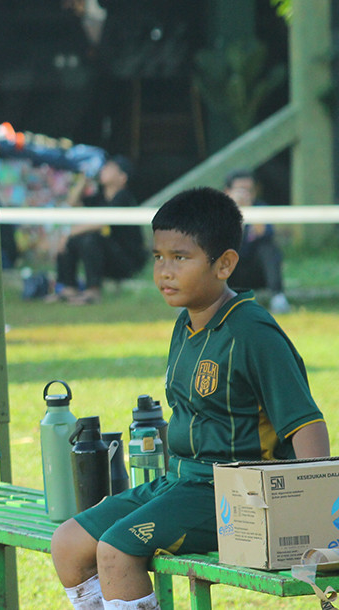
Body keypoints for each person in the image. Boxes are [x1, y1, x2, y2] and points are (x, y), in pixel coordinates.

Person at [50, 187, 329, 610]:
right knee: (68, 543)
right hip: (179, 480)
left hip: (231, 493)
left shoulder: (253, 333)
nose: (164, 271)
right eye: (158, 257)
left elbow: (307, 424)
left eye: (180, 257)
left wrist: (312, 520)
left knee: (116, 550)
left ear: (225, 264)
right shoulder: (185, 324)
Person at [50, 155, 146, 304]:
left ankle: (93, 291)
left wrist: (68, 233)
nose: (103, 170)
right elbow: (72, 203)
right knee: (72, 241)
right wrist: (84, 179)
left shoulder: (124, 197)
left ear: (122, 177)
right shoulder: (100, 197)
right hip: (105, 257)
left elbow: (102, 222)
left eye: (110, 168)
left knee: (89, 239)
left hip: (126, 260)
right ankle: (68, 288)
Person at [224, 170, 290, 314]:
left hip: (256, 271)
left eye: (249, 190)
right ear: (228, 191)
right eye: (241, 190)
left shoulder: (261, 208)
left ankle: (278, 298)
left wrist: (248, 210)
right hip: (228, 273)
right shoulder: (218, 211)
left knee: (269, 248)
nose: (245, 194)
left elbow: (265, 234)